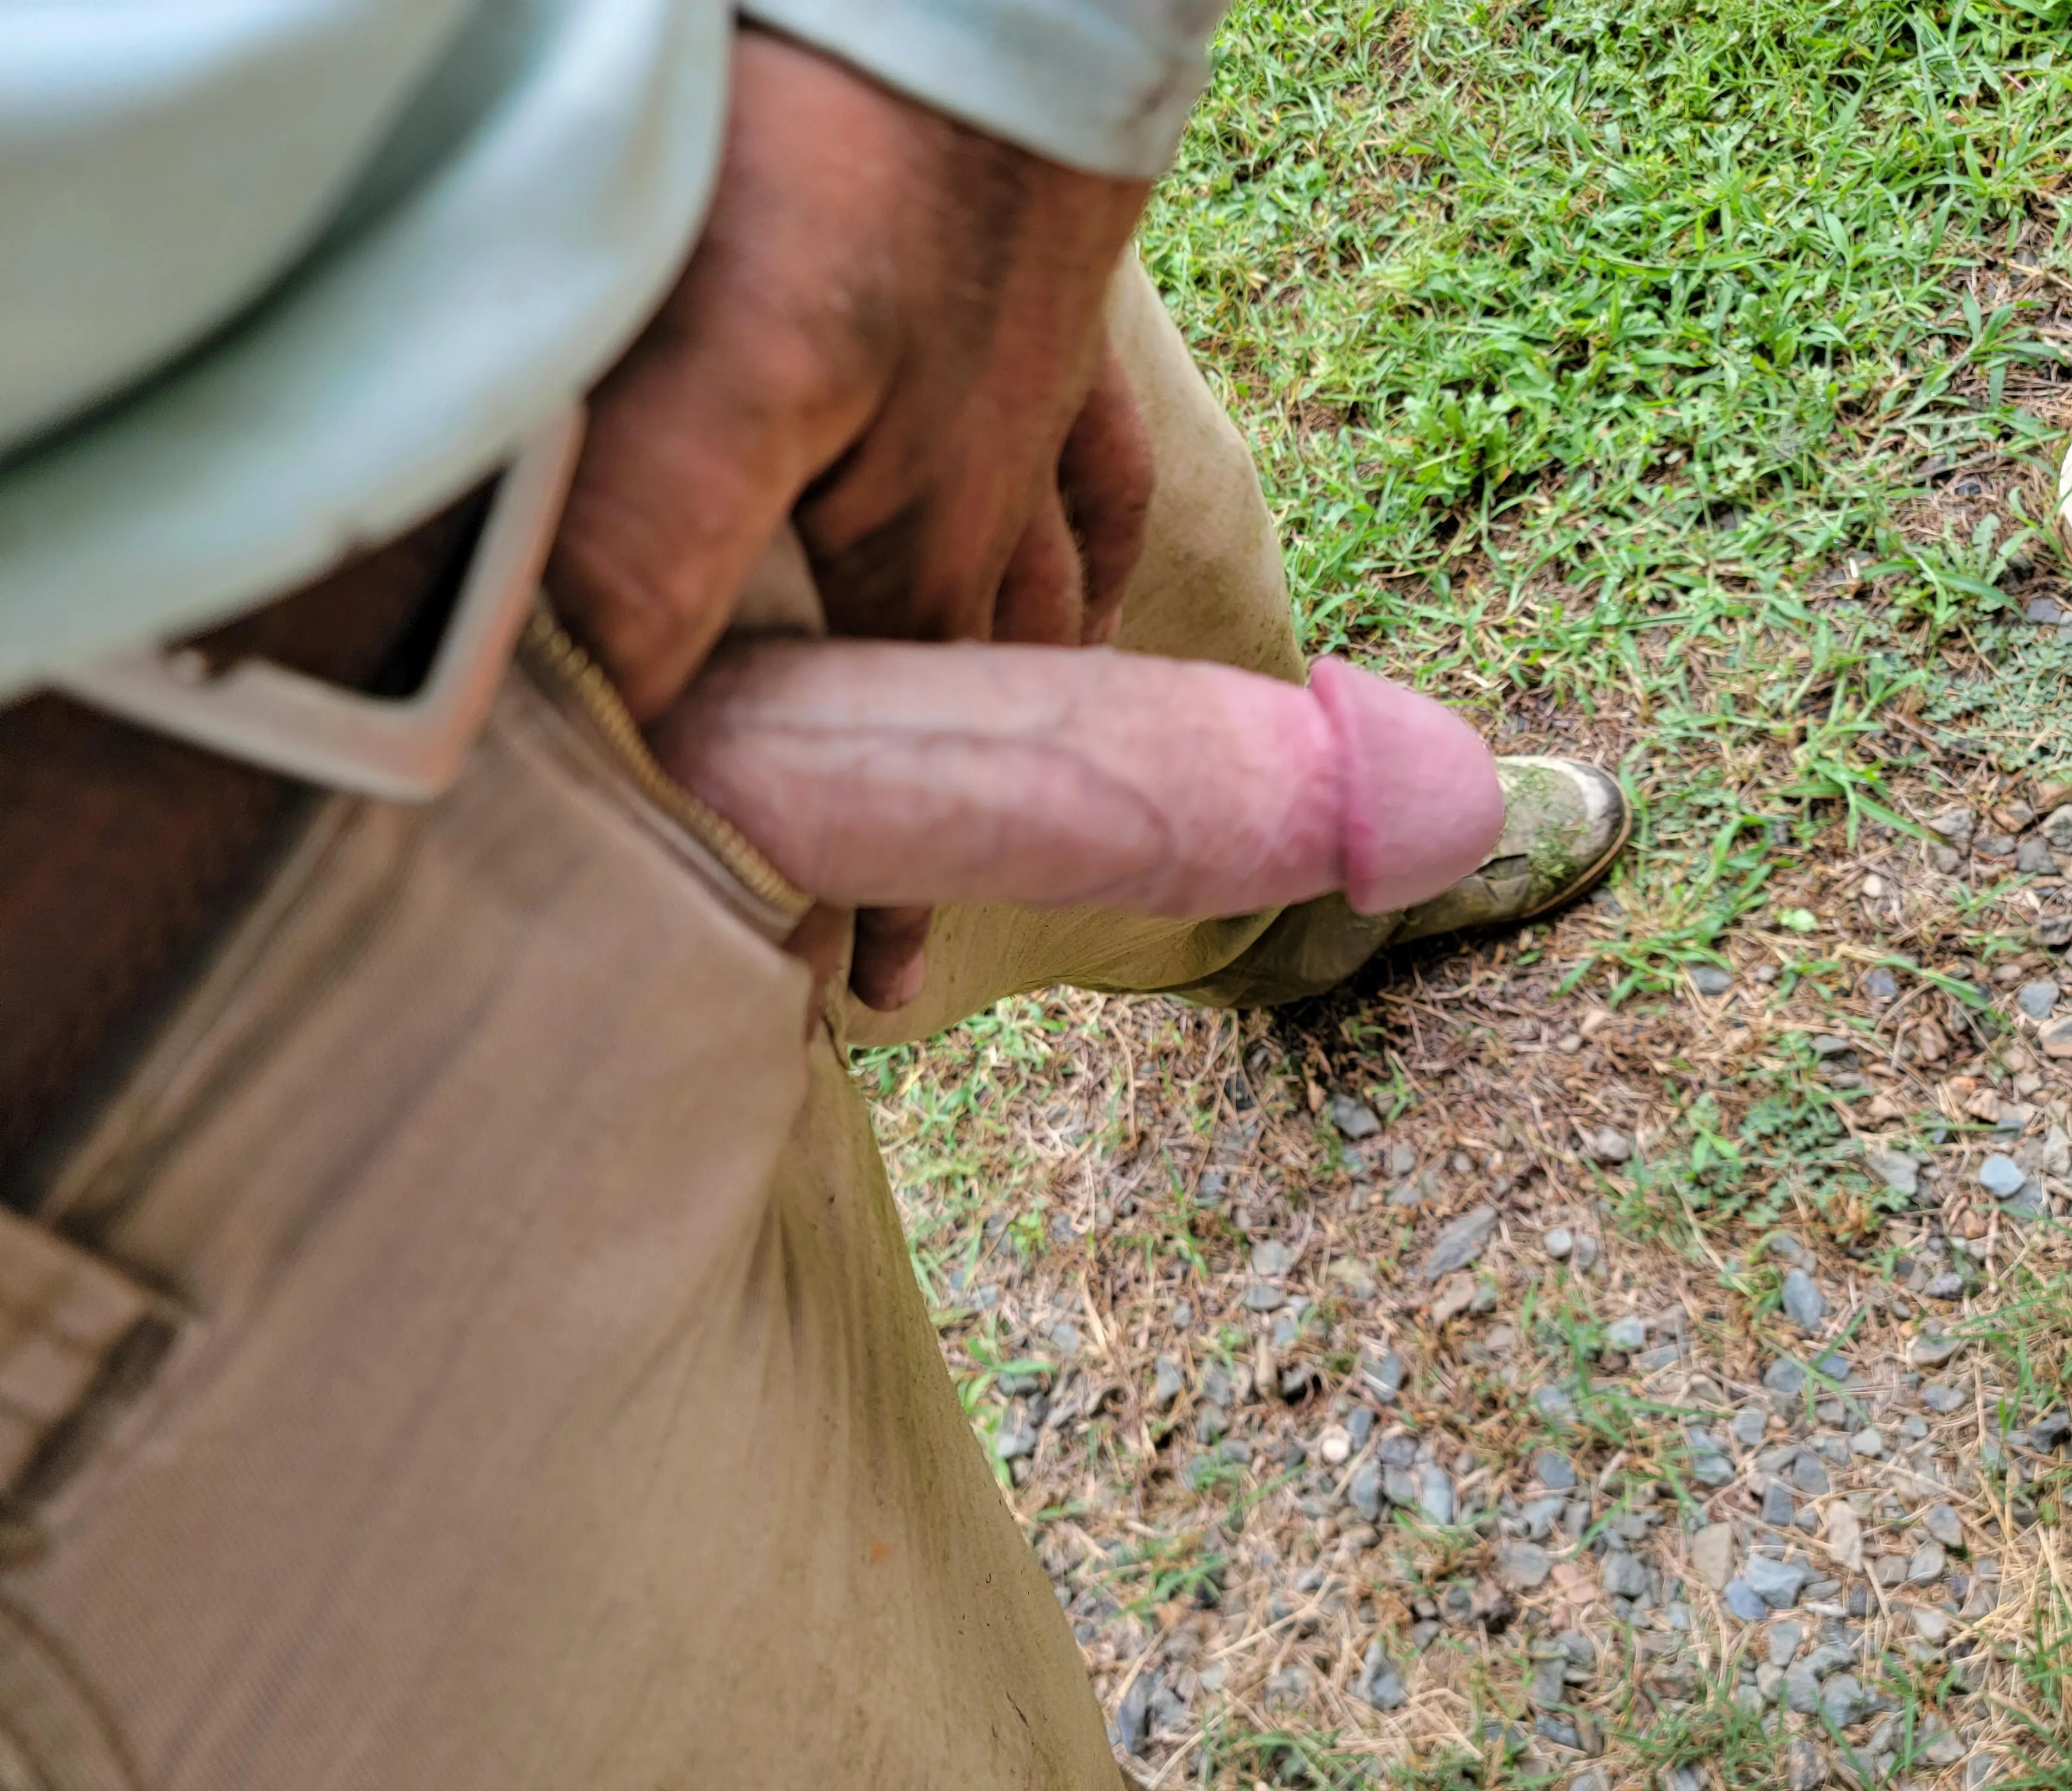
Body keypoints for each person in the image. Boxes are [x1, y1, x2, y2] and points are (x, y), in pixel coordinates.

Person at [0, 7, 1630, 1787]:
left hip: (700, 183)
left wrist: (972, 54)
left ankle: (1279, 923)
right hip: (121, 1059)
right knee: (852, 1718)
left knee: (1153, 591)